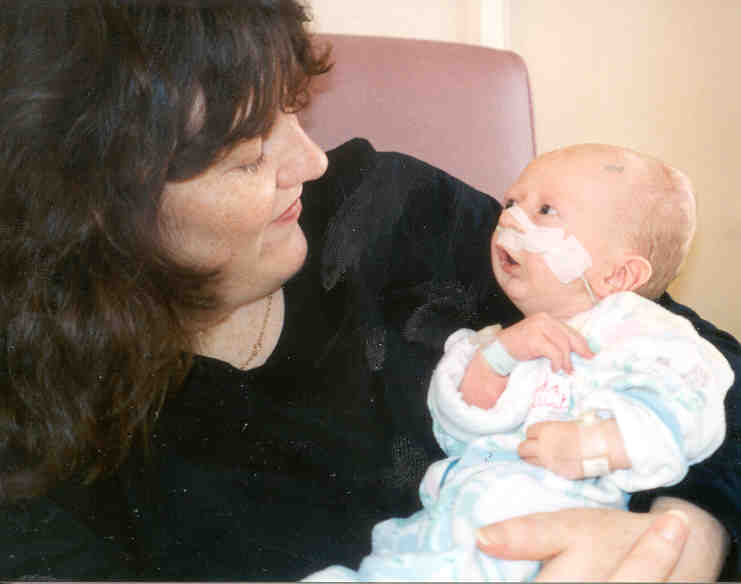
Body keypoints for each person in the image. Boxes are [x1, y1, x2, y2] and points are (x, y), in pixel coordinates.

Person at [0, 1, 738, 581]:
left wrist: (684, 538)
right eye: (248, 154)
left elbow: (709, 372)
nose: (311, 160)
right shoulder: (31, 414)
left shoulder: (392, 212)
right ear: (95, 207)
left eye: (292, 105)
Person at [305, 144, 733, 581]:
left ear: (617, 276)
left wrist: (596, 445)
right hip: (450, 522)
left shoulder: (643, 335)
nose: (509, 218)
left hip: (548, 530)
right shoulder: (501, 338)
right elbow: (455, 428)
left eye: (546, 211)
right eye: (511, 203)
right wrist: (498, 358)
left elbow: (692, 407)